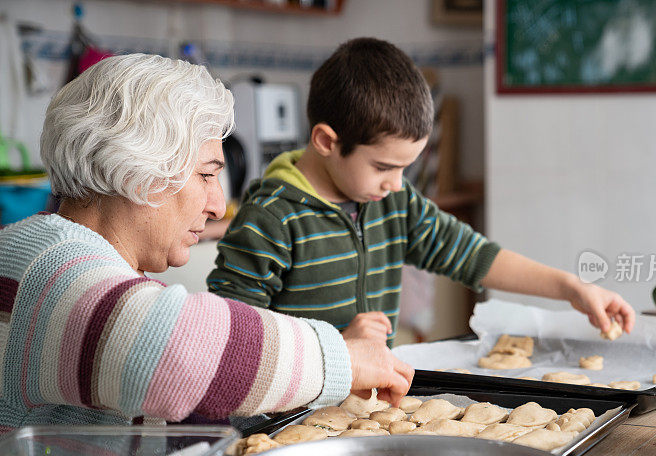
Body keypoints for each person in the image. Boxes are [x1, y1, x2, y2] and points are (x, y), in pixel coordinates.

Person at [0, 53, 413, 432]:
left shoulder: (71, 257)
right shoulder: (50, 268)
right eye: (205, 175)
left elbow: (179, 405)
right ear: (135, 170)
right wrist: (340, 358)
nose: (218, 205)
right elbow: (173, 352)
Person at [208, 37, 635, 347]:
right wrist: (335, 347)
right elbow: (230, 341)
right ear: (326, 141)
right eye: (382, 167)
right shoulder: (270, 220)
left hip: (368, 412)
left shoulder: (393, 202)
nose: (396, 184)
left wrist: (571, 288)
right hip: (288, 428)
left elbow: (471, 254)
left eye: (404, 168)